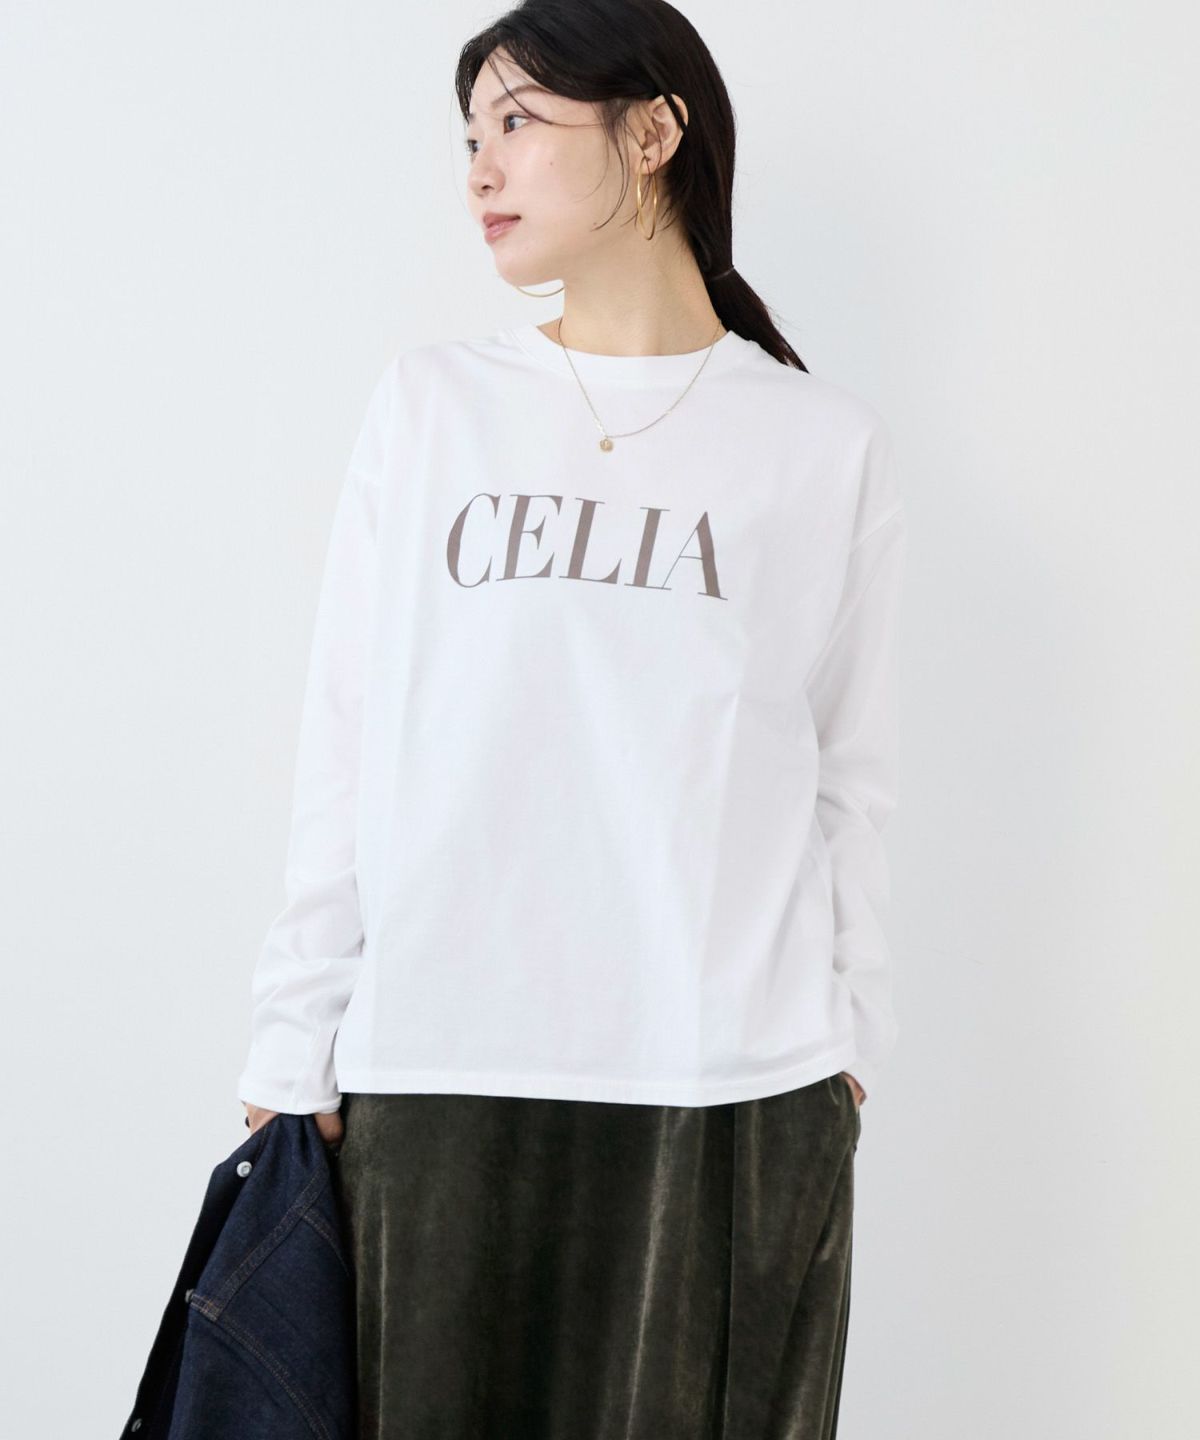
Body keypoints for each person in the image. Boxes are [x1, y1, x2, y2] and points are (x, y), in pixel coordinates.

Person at [238, 2, 907, 1436]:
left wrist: (850, 1042)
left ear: (653, 132)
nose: (480, 167)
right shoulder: (433, 408)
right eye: (471, 134)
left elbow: (850, 775)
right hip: (438, 1069)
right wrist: (295, 1034)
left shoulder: (817, 444)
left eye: (520, 122)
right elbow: (348, 732)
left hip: (724, 1086)